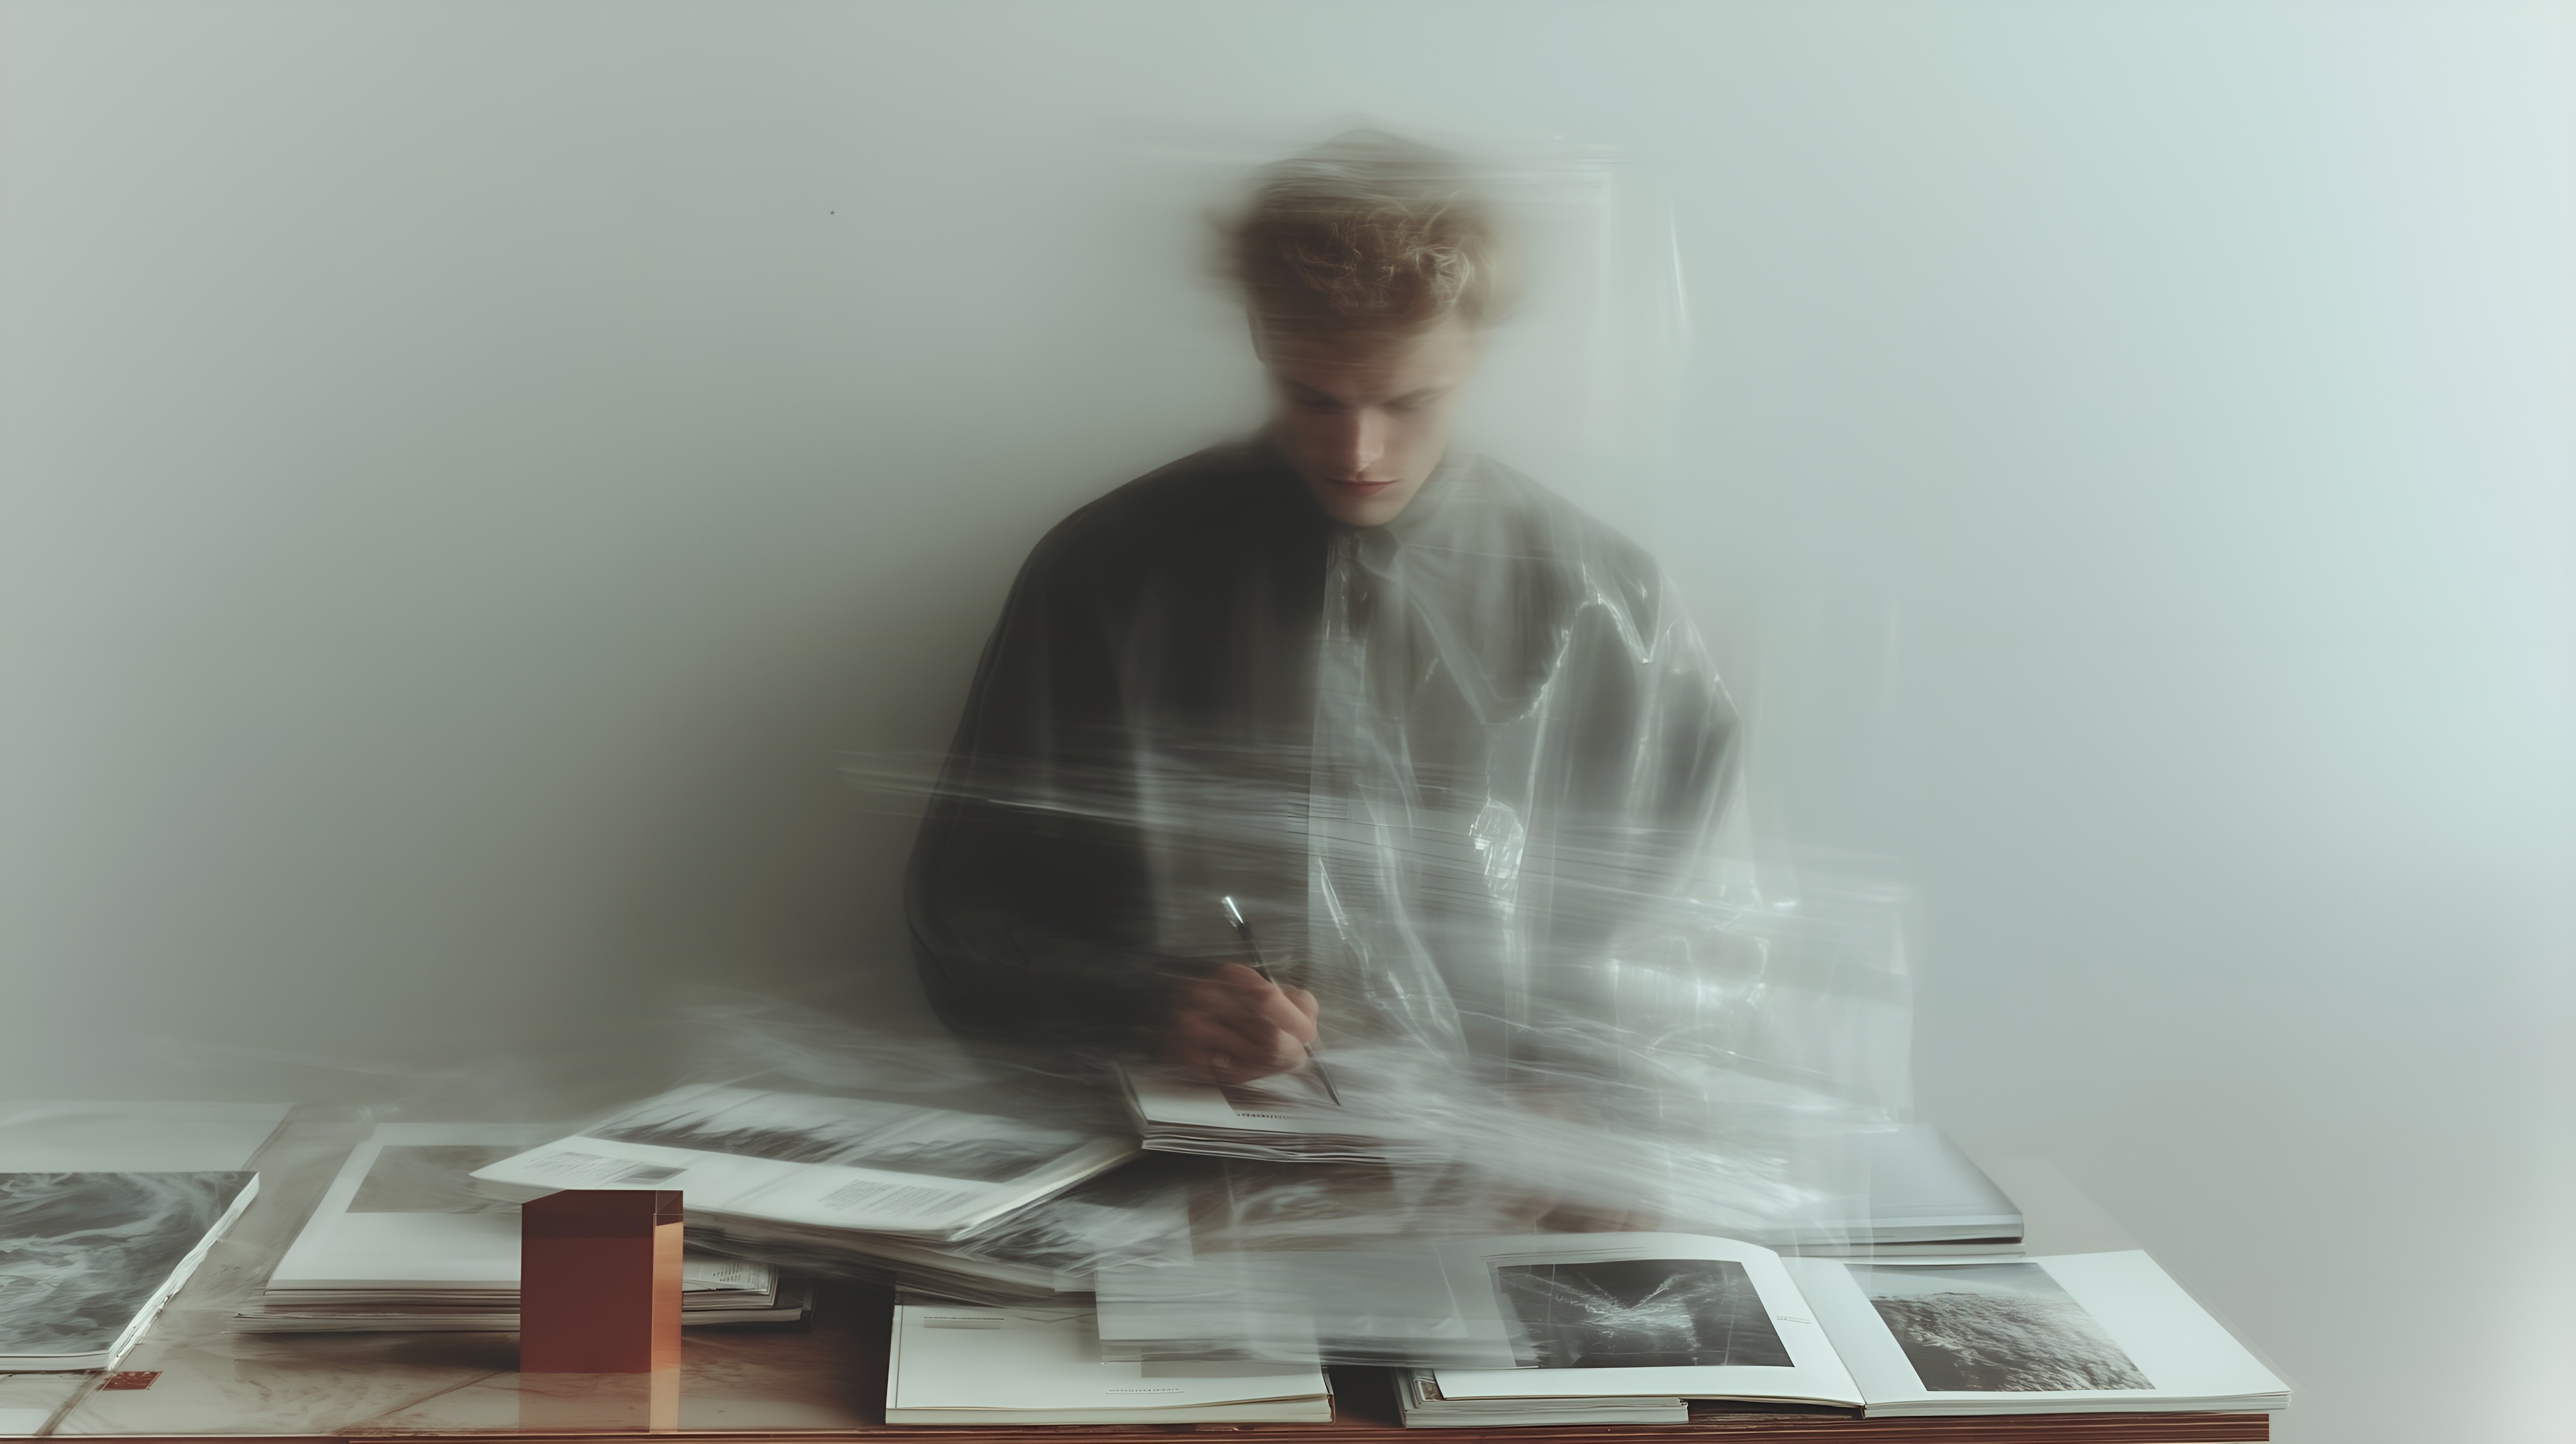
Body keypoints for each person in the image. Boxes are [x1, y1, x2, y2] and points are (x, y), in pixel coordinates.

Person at [905, 131, 1739, 1092]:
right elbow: (966, 906)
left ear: (1477, 355)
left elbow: (1694, 938)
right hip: (1177, 1150)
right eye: (1314, 397)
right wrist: (1153, 1007)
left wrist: (1595, 1102)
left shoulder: (1602, 603)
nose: (1358, 451)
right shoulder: (1108, 573)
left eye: (1409, 401)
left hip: (1509, 1164)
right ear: (1262, 340)